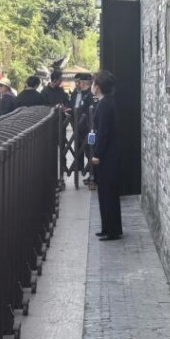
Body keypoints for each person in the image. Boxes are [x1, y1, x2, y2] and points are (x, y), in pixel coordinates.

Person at [89, 70, 122, 241]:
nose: (92, 86)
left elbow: (103, 133)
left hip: (107, 156)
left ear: (98, 86)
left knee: (108, 193)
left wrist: (97, 154)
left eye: (94, 83)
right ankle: (107, 227)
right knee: (104, 192)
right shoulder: (105, 102)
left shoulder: (105, 105)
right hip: (108, 154)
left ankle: (112, 230)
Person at [70, 72, 96, 180]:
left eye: (79, 82)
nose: (78, 84)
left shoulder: (92, 95)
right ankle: (88, 173)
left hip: (90, 130)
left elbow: (93, 109)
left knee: (90, 151)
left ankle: (92, 175)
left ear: (83, 83)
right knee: (82, 149)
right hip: (80, 128)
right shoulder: (80, 94)